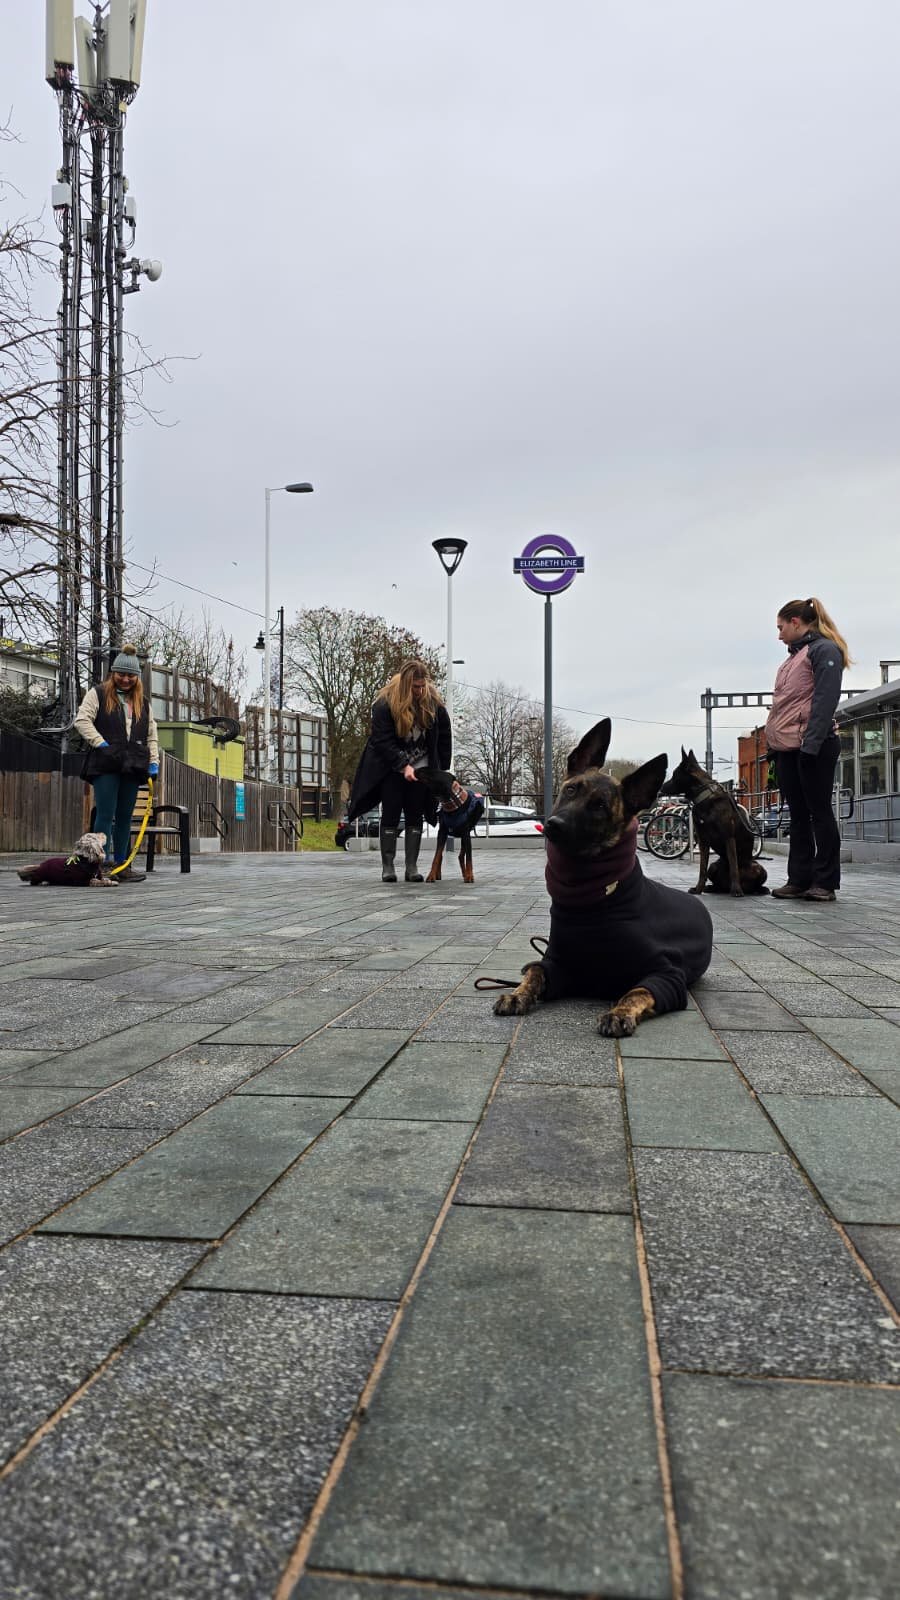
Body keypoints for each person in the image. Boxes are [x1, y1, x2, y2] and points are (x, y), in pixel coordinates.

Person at [764, 597, 850, 902]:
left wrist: (810, 746)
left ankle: (825, 882)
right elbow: (784, 706)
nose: (779, 634)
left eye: (781, 627)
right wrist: (773, 746)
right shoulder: (792, 658)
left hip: (813, 746)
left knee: (819, 812)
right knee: (797, 815)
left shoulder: (824, 650)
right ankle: (799, 879)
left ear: (796, 622)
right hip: (787, 748)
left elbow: (825, 702)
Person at [347, 659, 451, 882]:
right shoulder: (385, 704)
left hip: (422, 769)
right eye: (415, 687)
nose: (420, 691)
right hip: (391, 769)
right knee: (391, 813)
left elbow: (444, 738)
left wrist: (440, 771)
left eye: (422, 686)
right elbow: (381, 741)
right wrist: (403, 765)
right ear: (406, 684)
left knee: (416, 814)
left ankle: (411, 867)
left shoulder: (433, 704)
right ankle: (388, 867)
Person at [74, 646, 160, 884]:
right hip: (106, 764)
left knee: (125, 816)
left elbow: (152, 734)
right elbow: (82, 720)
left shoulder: (143, 702)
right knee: (105, 814)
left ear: (136, 677)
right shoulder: (98, 694)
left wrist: (154, 762)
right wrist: (100, 743)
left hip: (133, 765)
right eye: (121, 674)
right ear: (113, 673)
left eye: (130, 675)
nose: (125, 679)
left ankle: (123, 864)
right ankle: (99, 865)